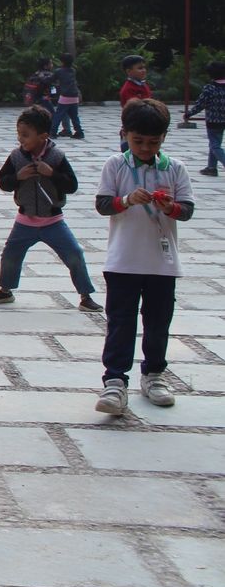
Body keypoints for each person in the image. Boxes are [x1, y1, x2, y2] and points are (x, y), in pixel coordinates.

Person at [94, 99, 195, 415]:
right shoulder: (116, 165)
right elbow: (103, 204)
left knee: (158, 322)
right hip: (123, 261)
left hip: (161, 264)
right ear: (125, 134)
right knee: (120, 322)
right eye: (138, 141)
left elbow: (188, 210)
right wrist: (126, 200)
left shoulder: (175, 168)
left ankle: (153, 374)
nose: (145, 148)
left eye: (153, 142)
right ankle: (114, 381)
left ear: (164, 138)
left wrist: (169, 207)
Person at [0, 106, 98, 310]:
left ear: (43, 136)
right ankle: (5, 290)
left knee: (74, 254)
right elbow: (3, 181)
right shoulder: (16, 157)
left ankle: (85, 295)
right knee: (11, 255)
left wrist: (51, 173)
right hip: (24, 220)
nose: (21, 139)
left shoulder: (57, 157)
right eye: (19, 134)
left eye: (26, 135)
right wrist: (18, 177)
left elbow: (71, 185)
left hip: (53, 221)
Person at [184, 60, 225, 177]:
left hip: (213, 121)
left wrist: (189, 114)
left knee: (215, 145)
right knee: (215, 143)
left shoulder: (209, 88)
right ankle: (211, 167)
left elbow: (200, 104)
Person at [118, 54, 152, 149]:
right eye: (140, 68)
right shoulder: (128, 89)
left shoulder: (143, 85)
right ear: (129, 71)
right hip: (133, 126)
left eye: (144, 68)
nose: (144, 70)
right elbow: (135, 108)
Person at [52, 53, 85, 139]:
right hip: (74, 96)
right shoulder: (73, 70)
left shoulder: (59, 71)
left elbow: (51, 79)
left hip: (65, 96)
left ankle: (53, 132)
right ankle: (79, 132)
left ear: (62, 62)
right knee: (74, 116)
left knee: (58, 115)